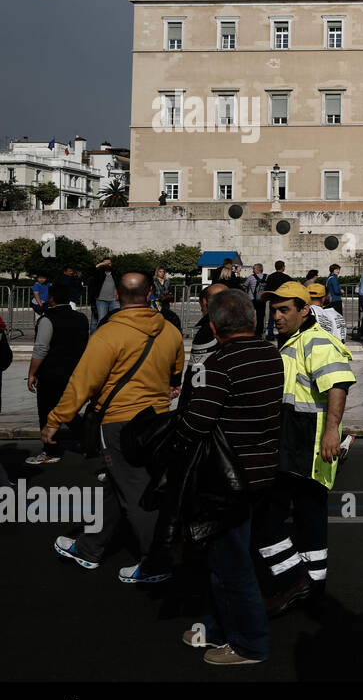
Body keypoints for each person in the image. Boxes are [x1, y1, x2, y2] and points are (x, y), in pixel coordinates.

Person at [48, 272, 185, 582]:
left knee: (135, 493)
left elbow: (82, 382)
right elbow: (176, 372)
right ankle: (89, 547)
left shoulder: (108, 335)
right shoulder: (171, 331)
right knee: (116, 485)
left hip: (119, 422)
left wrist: (55, 420)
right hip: (157, 420)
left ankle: (155, 563)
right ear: (150, 291)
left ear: (117, 296)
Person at [174, 290, 283, 666]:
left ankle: (250, 644)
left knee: (231, 565)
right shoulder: (271, 354)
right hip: (262, 470)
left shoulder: (219, 363)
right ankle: (218, 629)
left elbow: (195, 424)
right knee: (228, 558)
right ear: (253, 322)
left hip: (227, 477)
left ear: (215, 329)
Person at [256, 281, 355, 615]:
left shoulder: (315, 341)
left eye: (285, 310)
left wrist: (331, 432)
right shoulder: (292, 341)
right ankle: (311, 589)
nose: (277, 317)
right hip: (293, 442)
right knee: (309, 521)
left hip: (308, 447)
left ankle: (295, 581)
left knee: (272, 519)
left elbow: (337, 385)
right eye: (274, 311)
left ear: (304, 310)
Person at [24, 281, 89, 465]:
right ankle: (89, 440)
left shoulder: (47, 319)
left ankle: (50, 450)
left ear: (51, 298)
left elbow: (41, 349)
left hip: (51, 373)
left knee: (46, 411)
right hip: (75, 371)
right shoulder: (81, 318)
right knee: (69, 410)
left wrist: (32, 373)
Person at [262, 261, 291, 340]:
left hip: (273, 300)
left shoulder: (270, 277)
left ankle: (270, 334)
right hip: (283, 300)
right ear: (283, 267)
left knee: (272, 318)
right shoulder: (286, 277)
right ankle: (282, 333)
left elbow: (267, 288)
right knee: (283, 317)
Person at [89, 257, 119, 330]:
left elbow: (120, 283)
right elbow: (90, 271)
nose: (107, 265)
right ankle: (100, 337)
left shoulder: (116, 273)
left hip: (114, 300)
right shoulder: (99, 273)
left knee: (116, 319)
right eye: (105, 263)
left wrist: (118, 292)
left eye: (109, 263)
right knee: (102, 320)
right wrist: (100, 264)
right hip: (101, 300)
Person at [244, 264, 268, 337]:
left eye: (254, 269)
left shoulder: (251, 277)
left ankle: (250, 330)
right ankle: (259, 331)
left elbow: (245, 286)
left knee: (251, 316)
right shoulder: (267, 277)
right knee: (261, 316)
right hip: (262, 299)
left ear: (257, 269)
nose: (253, 270)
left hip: (252, 299)